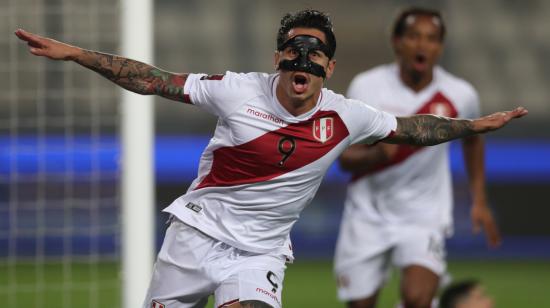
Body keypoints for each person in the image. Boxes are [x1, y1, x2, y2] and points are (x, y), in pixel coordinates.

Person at [15, 9, 526, 308]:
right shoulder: (236, 91)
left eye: (315, 51)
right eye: (294, 48)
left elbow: (414, 129)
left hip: (258, 254)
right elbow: (153, 79)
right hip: (194, 236)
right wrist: (79, 53)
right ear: (278, 56)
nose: (303, 58)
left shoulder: (346, 115)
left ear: (328, 65)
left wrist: (472, 126)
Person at [334, 7, 503, 308]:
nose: (423, 45)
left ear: (440, 47)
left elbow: (473, 141)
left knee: (418, 298)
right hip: (367, 214)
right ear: (397, 42)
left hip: (423, 215)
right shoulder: (366, 87)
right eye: (414, 36)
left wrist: (479, 198)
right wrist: (378, 155)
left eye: (432, 38)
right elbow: (345, 160)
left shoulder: (461, 94)